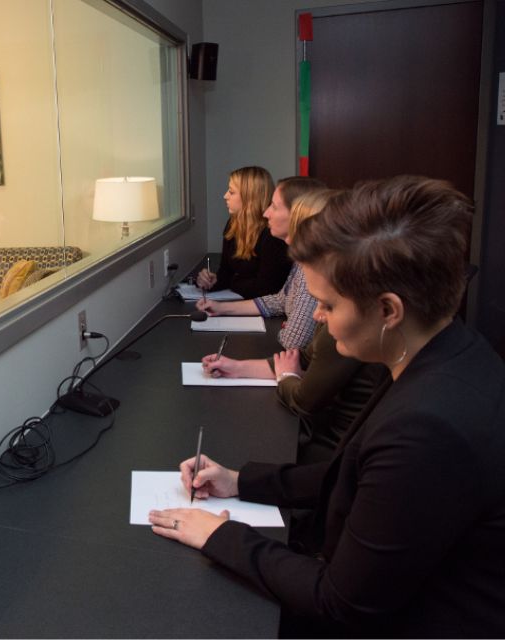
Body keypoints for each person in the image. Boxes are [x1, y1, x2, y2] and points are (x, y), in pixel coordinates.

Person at [149, 176, 505, 637]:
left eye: (328, 304)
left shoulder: (427, 428)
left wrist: (219, 536)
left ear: (387, 310)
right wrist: (239, 480)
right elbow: (354, 474)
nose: (316, 316)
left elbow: (341, 602)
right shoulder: (443, 351)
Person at [202, 190, 391, 462]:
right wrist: (237, 367)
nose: (317, 314)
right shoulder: (335, 297)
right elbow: (300, 356)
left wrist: (287, 377)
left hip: (329, 448)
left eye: (327, 305)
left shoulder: (345, 324)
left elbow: (301, 380)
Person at [197, 176, 325, 349]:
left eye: (274, 206)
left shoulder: (311, 267)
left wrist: (286, 330)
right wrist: (221, 308)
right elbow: (280, 301)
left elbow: (293, 342)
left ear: (297, 215)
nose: (266, 213)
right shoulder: (301, 260)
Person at [196, 166, 291, 299]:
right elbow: (226, 272)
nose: (225, 196)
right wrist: (211, 280)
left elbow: (266, 289)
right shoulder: (232, 225)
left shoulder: (272, 234)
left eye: (231, 192)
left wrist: (233, 281)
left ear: (250, 197)